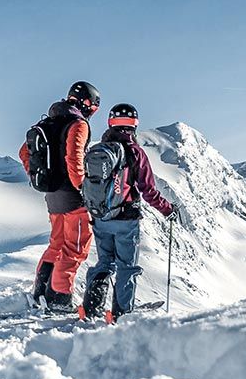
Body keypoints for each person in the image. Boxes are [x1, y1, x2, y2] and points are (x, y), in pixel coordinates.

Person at [79, 102, 174, 323]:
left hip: (101, 217)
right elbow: (148, 190)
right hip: (125, 221)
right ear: (134, 125)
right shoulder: (135, 152)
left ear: (111, 123)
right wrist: (167, 210)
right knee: (126, 267)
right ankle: (120, 314)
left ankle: (90, 309)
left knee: (104, 263)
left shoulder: (99, 151)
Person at [19, 80, 100, 312]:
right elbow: (74, 159)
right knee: (74, 249)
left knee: (56, 245)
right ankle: (59, 299)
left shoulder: (49, 121)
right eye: (93, 108)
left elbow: (24, 151)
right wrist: (84, 189)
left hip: (52, 197)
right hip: (74, 198)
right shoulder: (79, 124)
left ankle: (40, 292)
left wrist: (40, 177)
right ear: (87, 104)